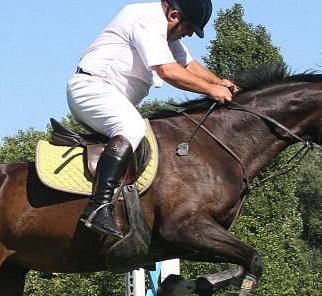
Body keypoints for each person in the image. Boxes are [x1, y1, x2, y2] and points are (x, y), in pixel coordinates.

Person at [68, 0, 237, 238]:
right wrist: (209, 90)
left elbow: (187, 64)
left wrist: (219, 82)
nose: (189, 34)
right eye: (189, 28)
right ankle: (98, 207)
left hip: (108, 94)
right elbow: (167, 70)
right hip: (91, 90)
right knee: (133, 126)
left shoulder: (166, 30)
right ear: (174, 15)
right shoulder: (147, 19)